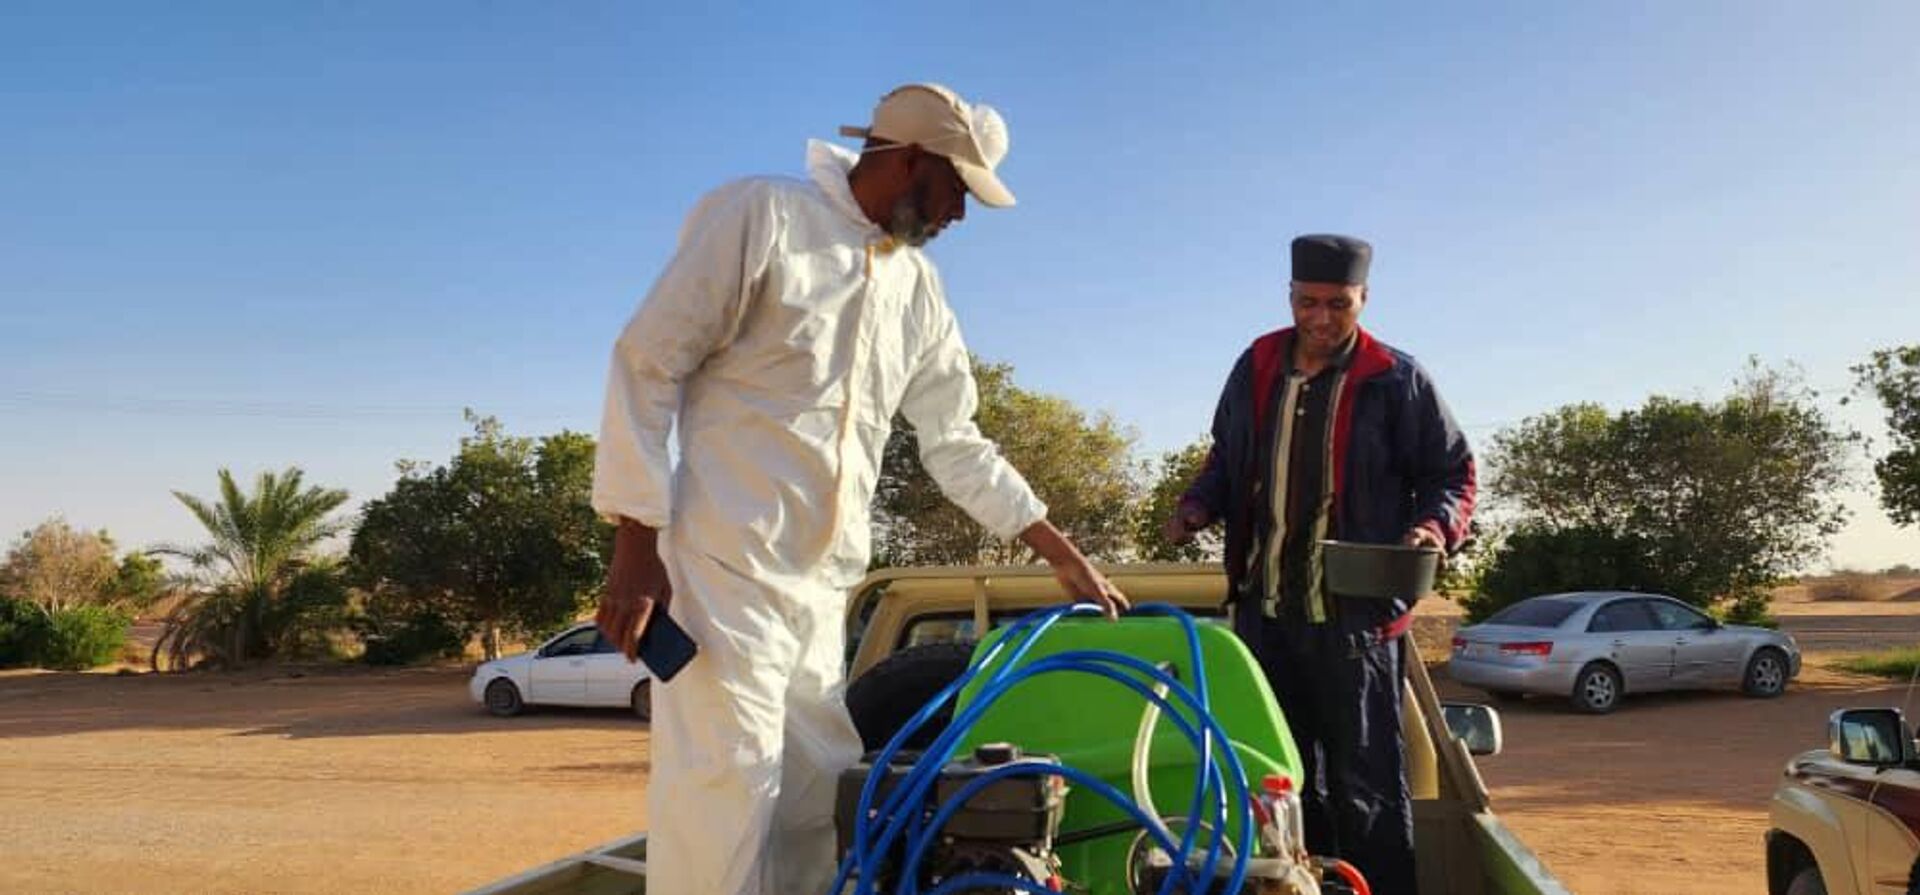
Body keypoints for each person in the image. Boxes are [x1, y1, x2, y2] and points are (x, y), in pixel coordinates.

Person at [589, 82, 1129, 895]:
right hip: (723, 572)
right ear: (909, 160)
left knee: (816, 797)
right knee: (726, 796)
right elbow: (648, 359)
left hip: (820, 590)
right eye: (956, 191)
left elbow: (956, 441)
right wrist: (635, 544)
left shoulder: (918, 291)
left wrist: (1057, 549)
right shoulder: (763, 217)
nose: (960, 216)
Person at [1164, 234, 1476, 893]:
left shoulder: (1396, 377)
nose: (1323, 318)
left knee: (1369, 794)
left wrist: (1432, 525)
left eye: (1340, 303)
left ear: (1363, 299)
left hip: (1356, 625)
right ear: (1290, 297)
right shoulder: (1255, 365)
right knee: (1280, 786)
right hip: (1265, 616)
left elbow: (1452, 471)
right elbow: (1226, 459)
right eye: (1309, 302)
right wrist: (1197, 505)